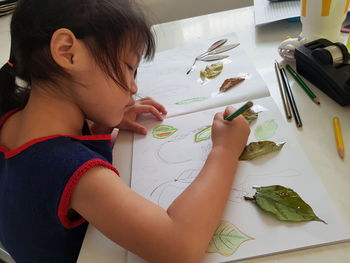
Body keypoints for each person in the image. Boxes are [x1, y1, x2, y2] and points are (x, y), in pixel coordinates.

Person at [0, 0, 250, 262]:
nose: (133, 87)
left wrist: (103, 126)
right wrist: (225, 150)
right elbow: (180, 247)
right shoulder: (71, 170)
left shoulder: (12, 115)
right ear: (68, 53)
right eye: (129, 68)